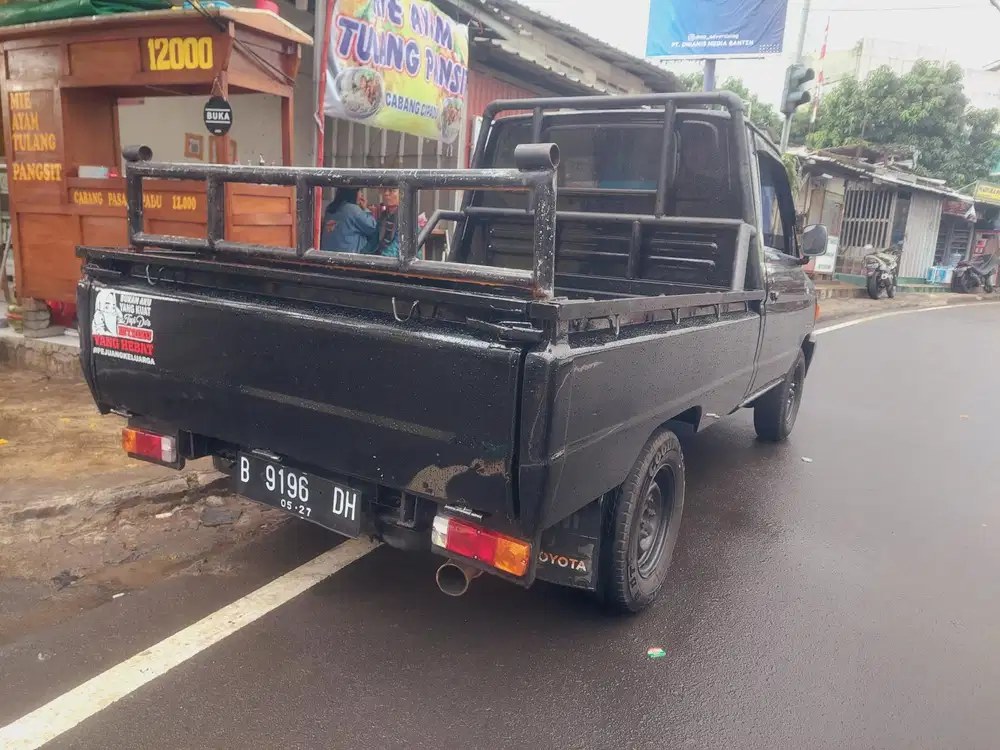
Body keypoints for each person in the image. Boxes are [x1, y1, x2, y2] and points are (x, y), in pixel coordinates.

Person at [320, 188, 377, 253]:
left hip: (328, 254)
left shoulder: (330, 208)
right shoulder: (352, 209)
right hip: (347, 256)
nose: (361, 195)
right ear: (353, 193)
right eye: (359, 191)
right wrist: (365, 209)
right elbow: (372, 227)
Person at [368, 187, 401, 258]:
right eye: (384, 190)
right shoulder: (383, 216)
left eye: (392, 190)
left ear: (401, 194)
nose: (386, 193)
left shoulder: (407, 217)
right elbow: (373, 241)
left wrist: (379, 260)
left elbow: (397, 247)